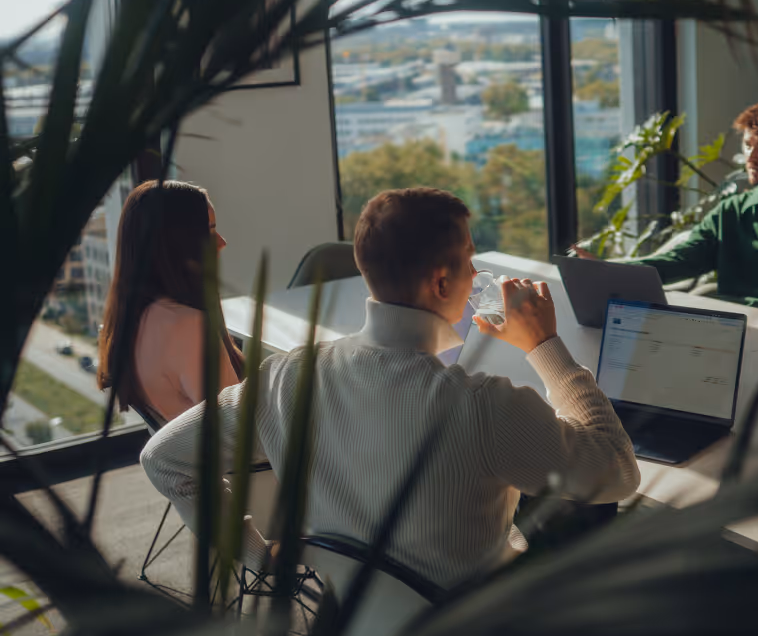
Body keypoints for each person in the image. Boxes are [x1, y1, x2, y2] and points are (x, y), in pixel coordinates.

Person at [140, 187, 640, 587]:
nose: (476, 274)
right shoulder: (485, 404)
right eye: (470, 260)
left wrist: (257, 560)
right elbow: (618, 471)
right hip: (472, 635)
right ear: (443, 286)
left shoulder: (282, 379)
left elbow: (161, 458)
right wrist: (544, 344)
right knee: (588, 508)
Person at [585, 98, 758, 325]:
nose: (751, 158)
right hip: (733, 335)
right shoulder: (732, 211)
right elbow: (680, 260)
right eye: (747, 145)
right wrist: (609, 271)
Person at [97, 180, 243, 425]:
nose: (221, 242)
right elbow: (236, 434)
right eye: (209, 230)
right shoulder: (190, 327)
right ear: (176, 244)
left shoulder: (136, 317)